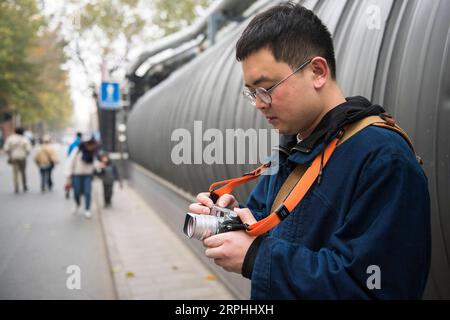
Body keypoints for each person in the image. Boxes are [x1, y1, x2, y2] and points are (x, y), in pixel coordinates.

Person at [188, 2, 431, 299]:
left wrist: (257, 258)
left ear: (317, 71)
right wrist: (229, 217)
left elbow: (375, 288)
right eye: (251, 92)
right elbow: (264, 220)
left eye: (266, 88)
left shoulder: (382, 159)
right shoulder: (295, 148)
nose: (259, 104)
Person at [65, 137, 98, 219]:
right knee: (77, 191)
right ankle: (77, 204)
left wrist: (98, 166)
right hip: (77, 174)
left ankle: (87, 209)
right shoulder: (77, 150)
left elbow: (94, 162)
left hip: (88, 175)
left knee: (87, 192)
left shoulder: (93, 152)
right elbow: (70, 161)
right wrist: (68, 173)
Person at [3, 127, 32, 193]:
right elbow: (28, 149)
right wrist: (25, 154)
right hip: (22, 157)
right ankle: (24, 185)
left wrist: (10, 154)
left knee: (15, 173)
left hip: (14, 157)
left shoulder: (10, 138)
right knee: (23, 172)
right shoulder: (25, 139)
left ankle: (16, 187)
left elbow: (6, 148)